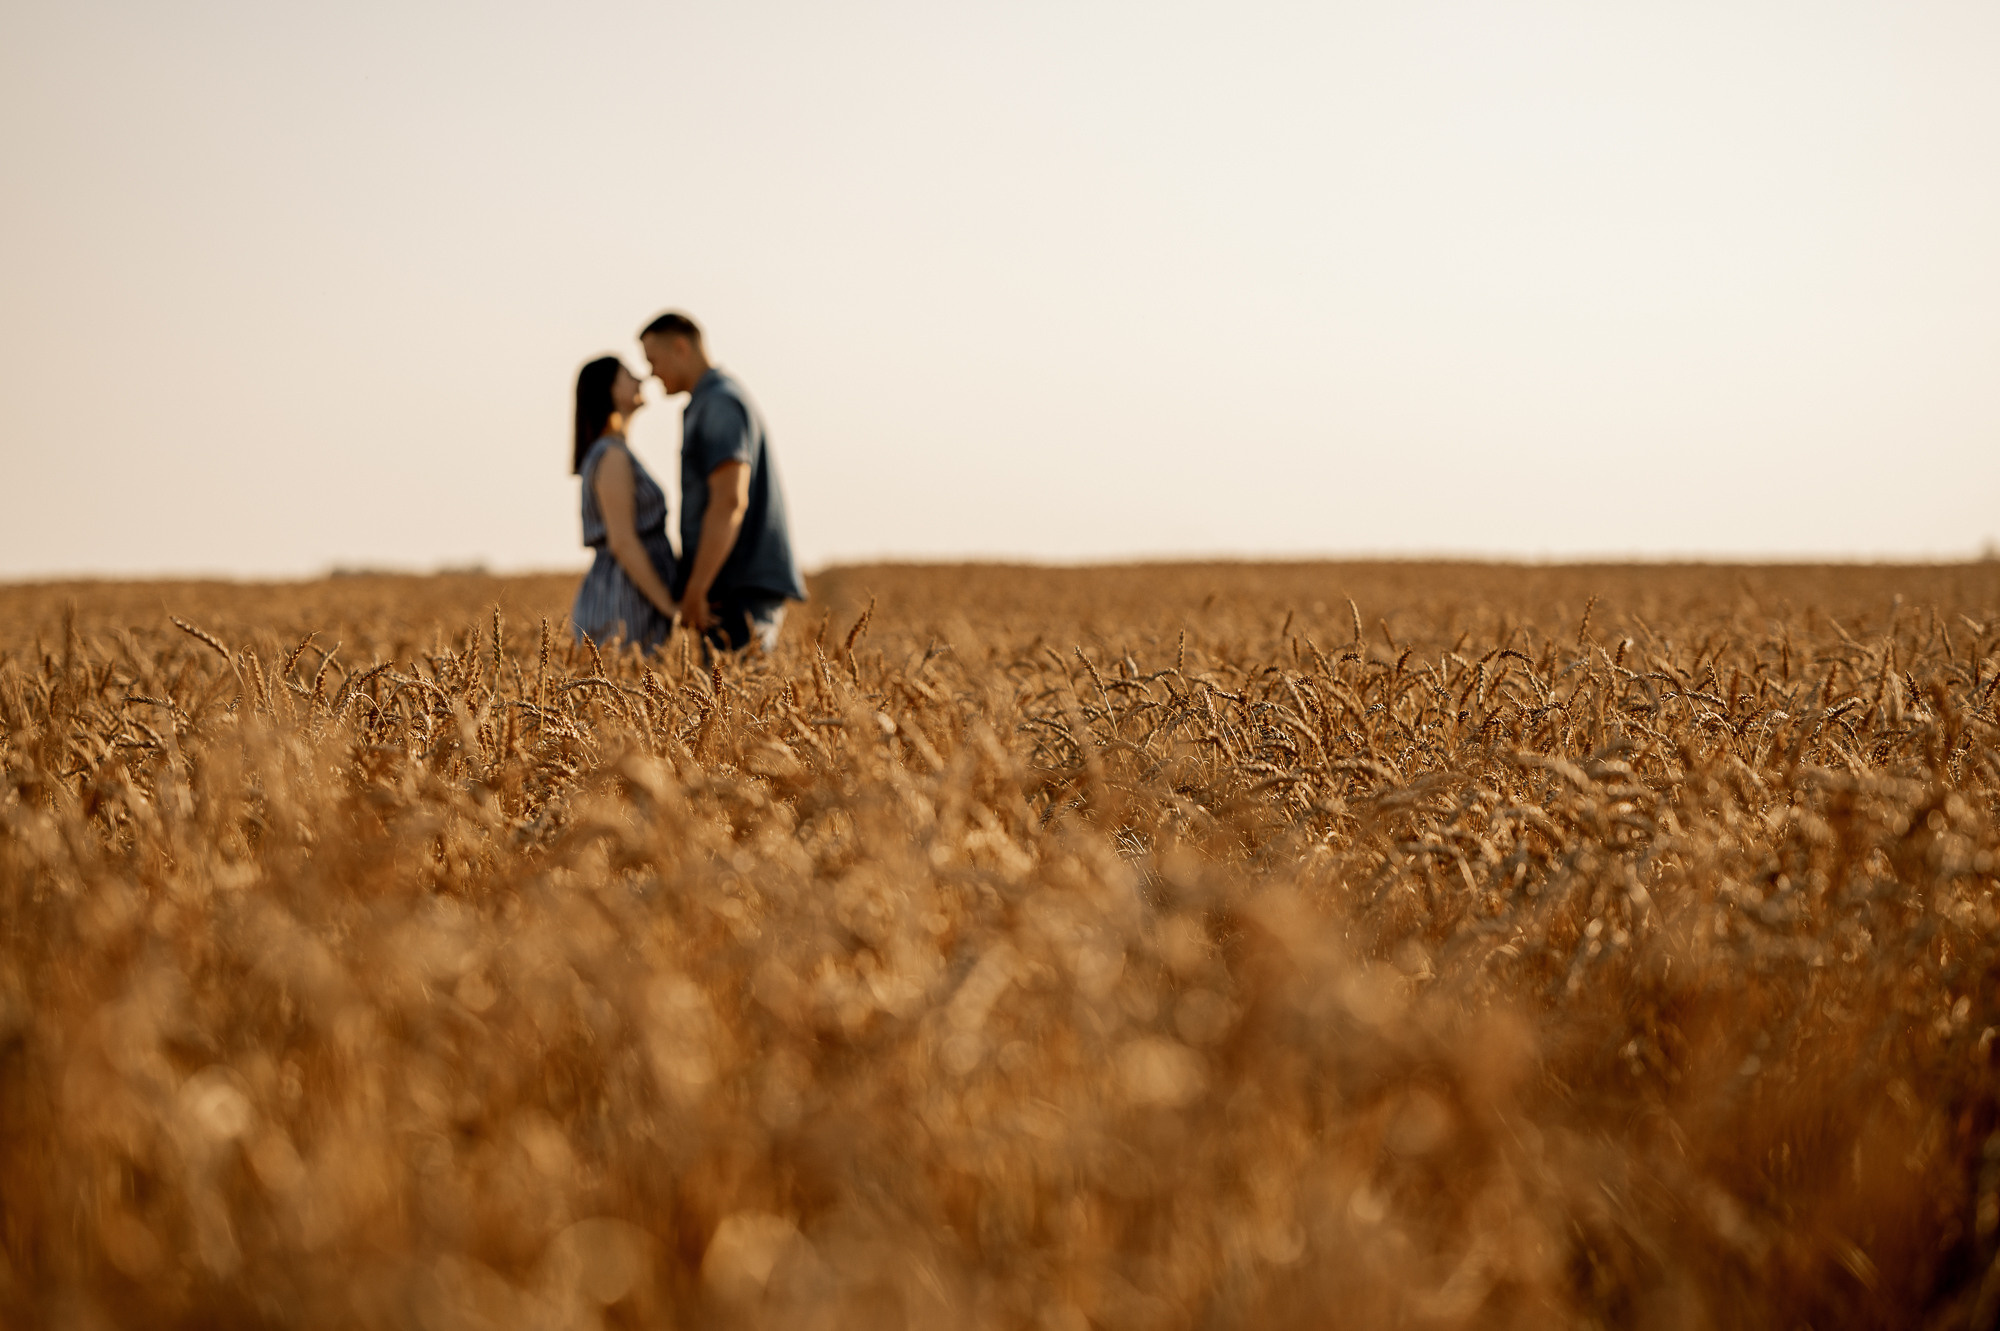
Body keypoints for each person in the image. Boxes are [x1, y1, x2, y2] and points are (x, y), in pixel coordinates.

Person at [639, 311, 806, 652]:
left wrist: (697, 587)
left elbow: (730, 500)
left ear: (681, 348)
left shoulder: (718, 404)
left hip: (738, 586)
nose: (651, 373)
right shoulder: (710, 401)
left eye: (653, 361)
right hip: (730, 582)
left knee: (739, 684)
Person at [569, 356, 681, 651]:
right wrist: (670, 607)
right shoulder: (612, 456)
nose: (641, 380)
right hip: (625, 599)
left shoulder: (613, 451)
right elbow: (623, 542)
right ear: (610, 390)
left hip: (630, 592)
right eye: (629, 376)